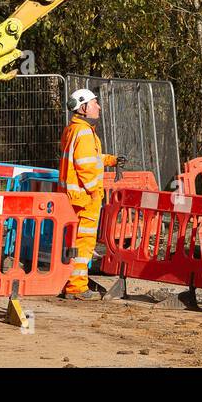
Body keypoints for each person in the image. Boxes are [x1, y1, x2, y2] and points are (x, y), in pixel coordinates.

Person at [58, 88, 120, 299]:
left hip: (73, 197)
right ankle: (76, 288)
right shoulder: (84, 132)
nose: (99, 106)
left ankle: (68, 281)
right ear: (83, 108)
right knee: (83, 243)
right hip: (85, 199)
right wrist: (95, 191)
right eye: (94, 103)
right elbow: (85, 165)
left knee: (72, 242)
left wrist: (110, 160)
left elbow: (89, 158)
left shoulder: (75, 130)